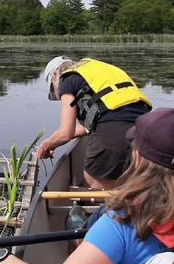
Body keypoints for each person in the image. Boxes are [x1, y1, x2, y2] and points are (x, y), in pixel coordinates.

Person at [0, 107, 174, 264]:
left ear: (138, 158)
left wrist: (3, 258)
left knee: (105, 213)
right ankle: (84, 236)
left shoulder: (122, 223)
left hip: (112, 234)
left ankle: (82, 238)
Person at [37, 56, 152, 189]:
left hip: (111, 131)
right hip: (146, 131)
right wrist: (53, 143)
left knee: (91, 183)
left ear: (55, 76)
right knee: (135, 183)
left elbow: (65, 133)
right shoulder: (99, 71)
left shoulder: (66, 80)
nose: (57, 92)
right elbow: (86, 127)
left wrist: (46, 145)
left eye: (53, 89)